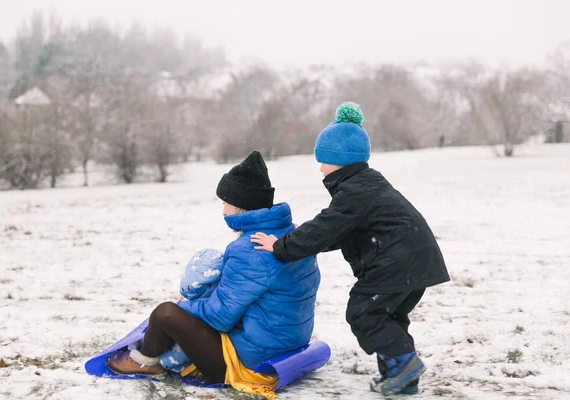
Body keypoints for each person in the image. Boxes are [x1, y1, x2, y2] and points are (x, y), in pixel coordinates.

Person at [251, 102, 450, 396]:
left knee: (364, 313)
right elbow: (340, 231)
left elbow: (326, 226)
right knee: (387, 317)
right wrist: (303, 242)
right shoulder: (366, 185)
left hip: (396, 262)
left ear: (339, 161)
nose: (320, 167)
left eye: (323, 161)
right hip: (414, 262)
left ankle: (405, 367)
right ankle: (402, 379)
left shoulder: (354, 192)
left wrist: (281, 246)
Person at [107, 151, 321, 399]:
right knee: (183, 310)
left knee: (165, 313)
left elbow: (220, 317)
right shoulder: (292, 236)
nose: (222, 211)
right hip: (288, 343)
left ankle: (145, 361)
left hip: (254, 359)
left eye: (225, 202)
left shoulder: (248, 249)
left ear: (241, 205)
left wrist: (186, 307)